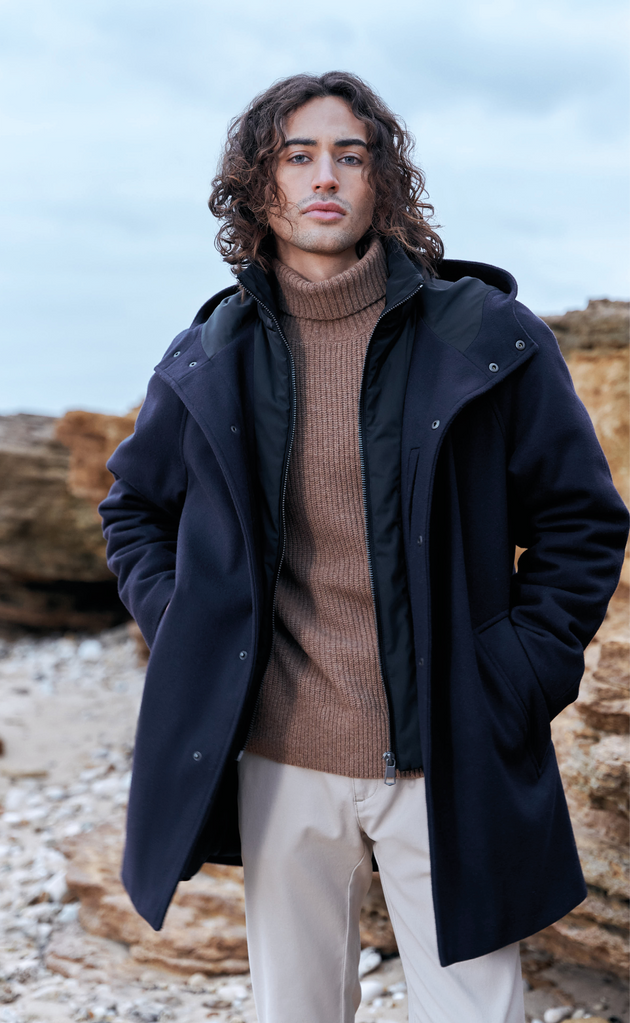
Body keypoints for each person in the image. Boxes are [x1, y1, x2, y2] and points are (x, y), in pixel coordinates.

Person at [99, 71, 629, 1023]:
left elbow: (581, 520)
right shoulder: (210, 354)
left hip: (452, 747)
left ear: (382, 180)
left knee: (476, 1011)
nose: (324, 176)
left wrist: (518, 672)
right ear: (258, 185)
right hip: (279, 755)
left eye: (350, 154)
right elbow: (135, 508)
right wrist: (186, 624)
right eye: (297, 156)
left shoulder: (486, 336)